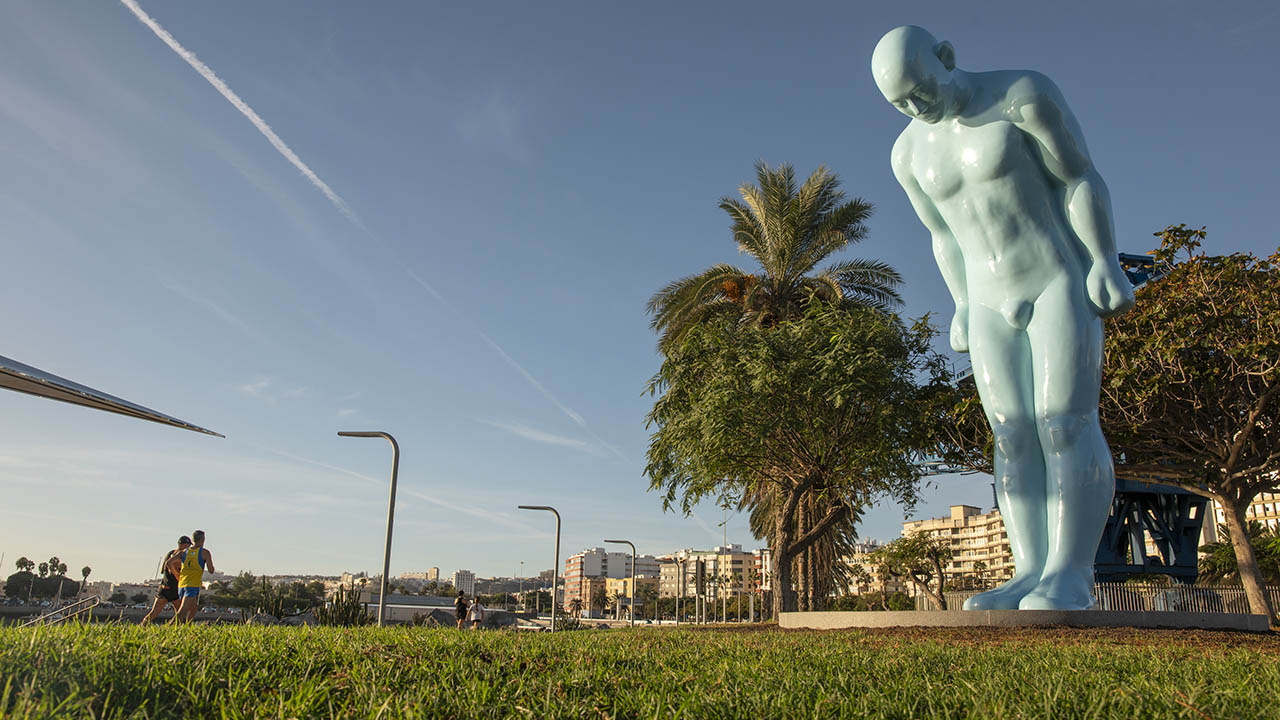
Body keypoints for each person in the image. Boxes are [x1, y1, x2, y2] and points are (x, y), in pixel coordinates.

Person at [872, 26, 1135, 611]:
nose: (917, 107)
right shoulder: (908, 153)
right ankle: (1028, 570)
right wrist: (962, 303)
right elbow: (943, 235)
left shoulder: (1023, 94)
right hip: (988, 299)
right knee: (1012, 434)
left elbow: (1079, 177)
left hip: (1055, 279)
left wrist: (1104, 261)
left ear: (946, 58)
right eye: (900, 103)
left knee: (1063, 421)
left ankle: (1070, 572)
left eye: (920, 91)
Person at [167, 529, 215, 622]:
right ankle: (167, 630)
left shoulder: (184, 552)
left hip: (182, 585)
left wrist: (177, 574)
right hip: (192, 585)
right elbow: (211, 570)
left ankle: (187, 629)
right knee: (182, 613)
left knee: (193, 608)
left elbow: (169, 562)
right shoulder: (204, 552)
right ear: (203, 540)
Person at [142, 536, 190, 624]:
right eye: (188, 546)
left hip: (165, 588)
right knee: (180, 613)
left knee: (153, 613)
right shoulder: (181, 556)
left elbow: (163, 569)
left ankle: (142, 626)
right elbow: (170, 564)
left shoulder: (170, 553)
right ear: (185, 545)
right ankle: (172, 628)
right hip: (173, 589)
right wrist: (177, 575)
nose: (189, 548)